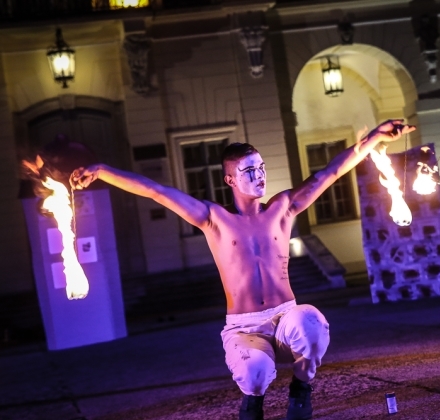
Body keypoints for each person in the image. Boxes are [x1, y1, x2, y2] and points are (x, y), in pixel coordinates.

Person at [71, 119, 415, 420]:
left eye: (261, 168)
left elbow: (329, 172)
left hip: (285, 317)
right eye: (249, 171)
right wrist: (102, 171)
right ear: (230, 179)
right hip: (244, 327)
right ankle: (253, 404)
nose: (259, 176)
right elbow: (156, 191)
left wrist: (374, 138)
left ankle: (301, 387)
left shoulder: (283, 208)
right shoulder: (213, 219)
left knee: (310, 322)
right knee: (255, 372)